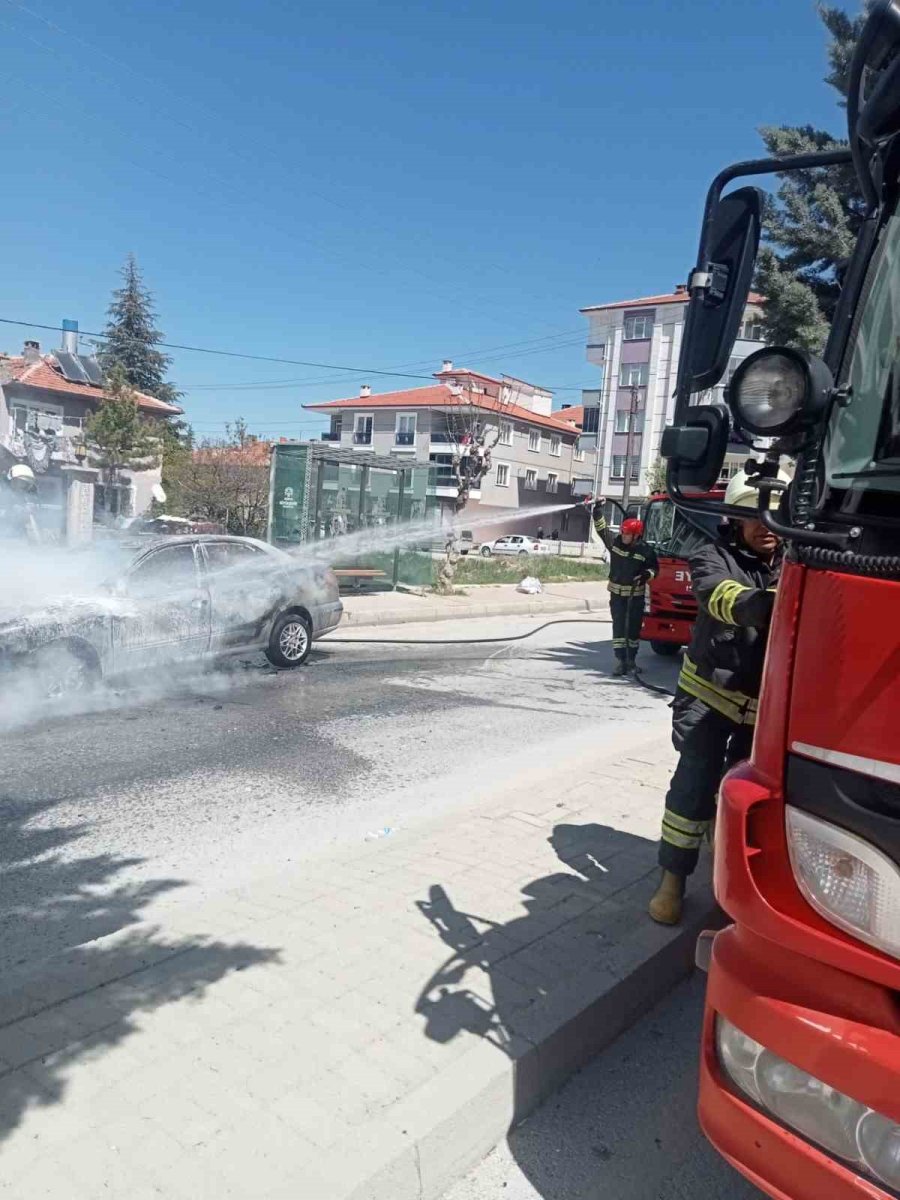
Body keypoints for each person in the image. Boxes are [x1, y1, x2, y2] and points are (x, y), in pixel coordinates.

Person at [648, 468, 789, 925]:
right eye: (754, 516)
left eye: (775, 515)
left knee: (749, 798)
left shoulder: (795, 560)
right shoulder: (711, 556)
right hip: (710, 696)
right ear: (734, 519)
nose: (766, 526)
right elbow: (722, 597)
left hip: (763, 707)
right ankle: (672, 881)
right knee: (693, 786)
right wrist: (776, 601)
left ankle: (736, 879)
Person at [593, 501, 658, 676]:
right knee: (619, 629)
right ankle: (621, 661)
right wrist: (597, 510)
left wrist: (646, 575)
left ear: (636, 535)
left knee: (633, 630)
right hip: (617, 597)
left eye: (627, 533)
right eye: (622, 532)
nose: (623, 535)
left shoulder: (646, 551)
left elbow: (654, 569)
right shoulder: (615, 543)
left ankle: (631, 661)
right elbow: (602, 529)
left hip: (635, 598)